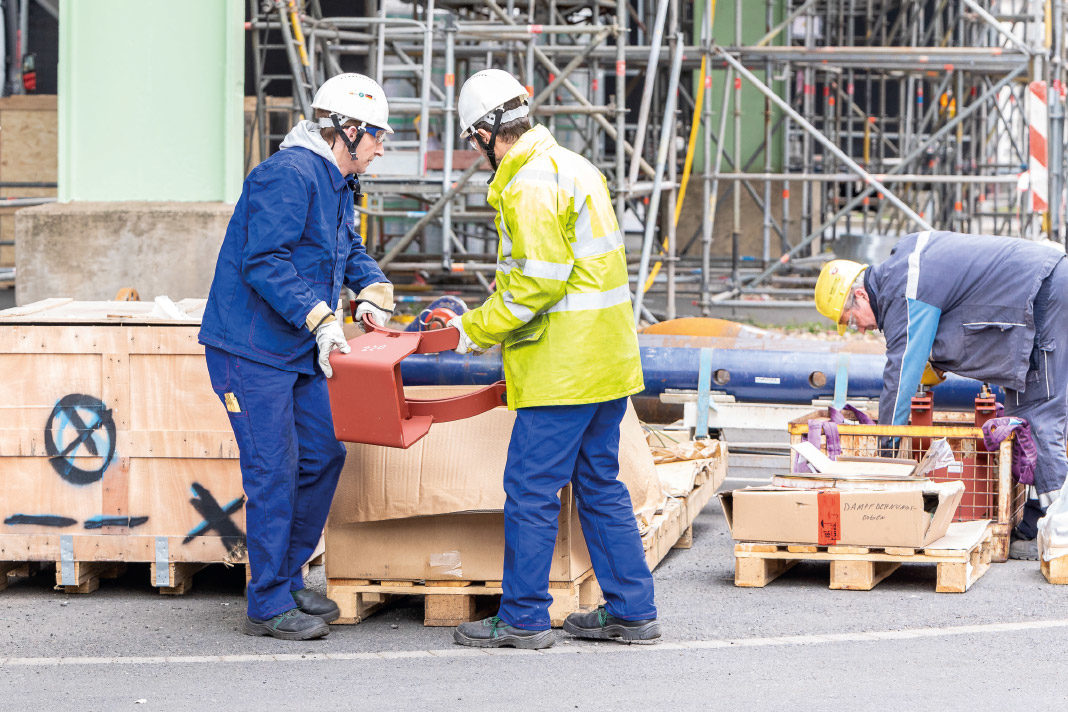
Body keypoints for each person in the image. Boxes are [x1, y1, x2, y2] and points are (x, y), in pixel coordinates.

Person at [448, 68, 659, 649]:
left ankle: (521, 617)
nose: (475, 152)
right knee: (599, 483)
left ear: (490, 133)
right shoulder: (575, 166)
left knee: (531, 489)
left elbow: (534, 285)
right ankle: (632, 611)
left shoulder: (529, 184)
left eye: (473, 140)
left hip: (562, 369)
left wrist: (471, 329)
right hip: (606, 361)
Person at [199, 73, 395, 639]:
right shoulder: (287, 175)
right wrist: (320, 317)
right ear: (349, 131)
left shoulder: (334, 179)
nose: (381, 148)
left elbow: (345, 247)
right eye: (377, 136)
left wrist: (371, 287)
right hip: (251, 351)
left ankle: (284, 579)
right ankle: (266, 602)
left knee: (323, 456)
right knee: (274, 470)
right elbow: (264, 262)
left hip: (294, 350)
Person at [815, 231, 1068, 560]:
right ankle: (1037, 518)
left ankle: (1062, 529)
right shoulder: (903, 270)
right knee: (1022, 415)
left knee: (1039, 415)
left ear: (861, 296)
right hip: (1034, 301)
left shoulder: (905, 286)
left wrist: (885, 456)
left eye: (851, 321)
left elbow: (901, 375)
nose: (860, 328)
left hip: (1044, 296)